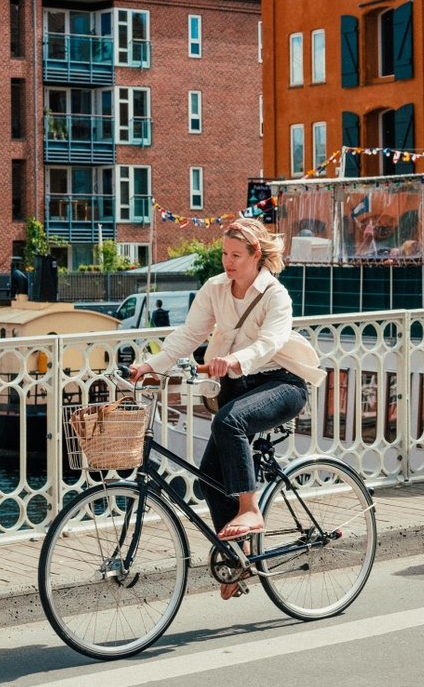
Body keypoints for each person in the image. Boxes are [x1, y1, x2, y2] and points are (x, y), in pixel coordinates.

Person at [128, 217, 323, 598]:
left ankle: (250, 508)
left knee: (228, 421)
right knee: (209, 479)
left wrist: (234, 359)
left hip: (281, 383)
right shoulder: (215, 288)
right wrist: (150, 365)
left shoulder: (275, 295)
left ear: (255, 255)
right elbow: (190, 334)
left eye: (236, 255)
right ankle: (238, 556)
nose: (227, 262)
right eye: (224, 254)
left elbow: (270, 343)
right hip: (236, 385)